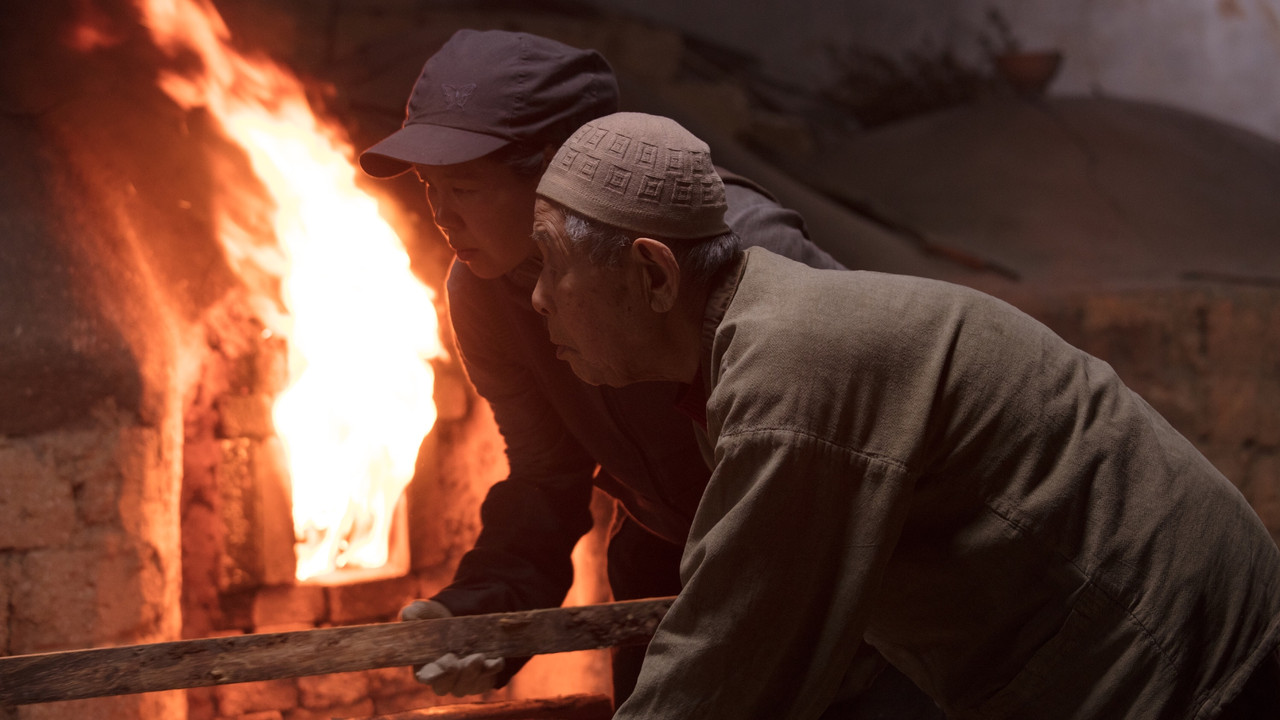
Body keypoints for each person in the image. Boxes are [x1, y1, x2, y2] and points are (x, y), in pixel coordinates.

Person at [526, 110, 1280, 719]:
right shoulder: (753, 338)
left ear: (653, 274)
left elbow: (728, 657)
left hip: (1187, 657)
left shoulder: (789, 370)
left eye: (553, 261)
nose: (537, 297)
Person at [357, 29, 944, 715]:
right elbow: (548, 473)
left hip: (850, 563)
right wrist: (486, 611)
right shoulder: (483, 291)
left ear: (554, 171)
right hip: (670, 554)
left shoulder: (737, 254)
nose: (439, 213)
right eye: (429, 186)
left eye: (463, 185)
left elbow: (859, 459)